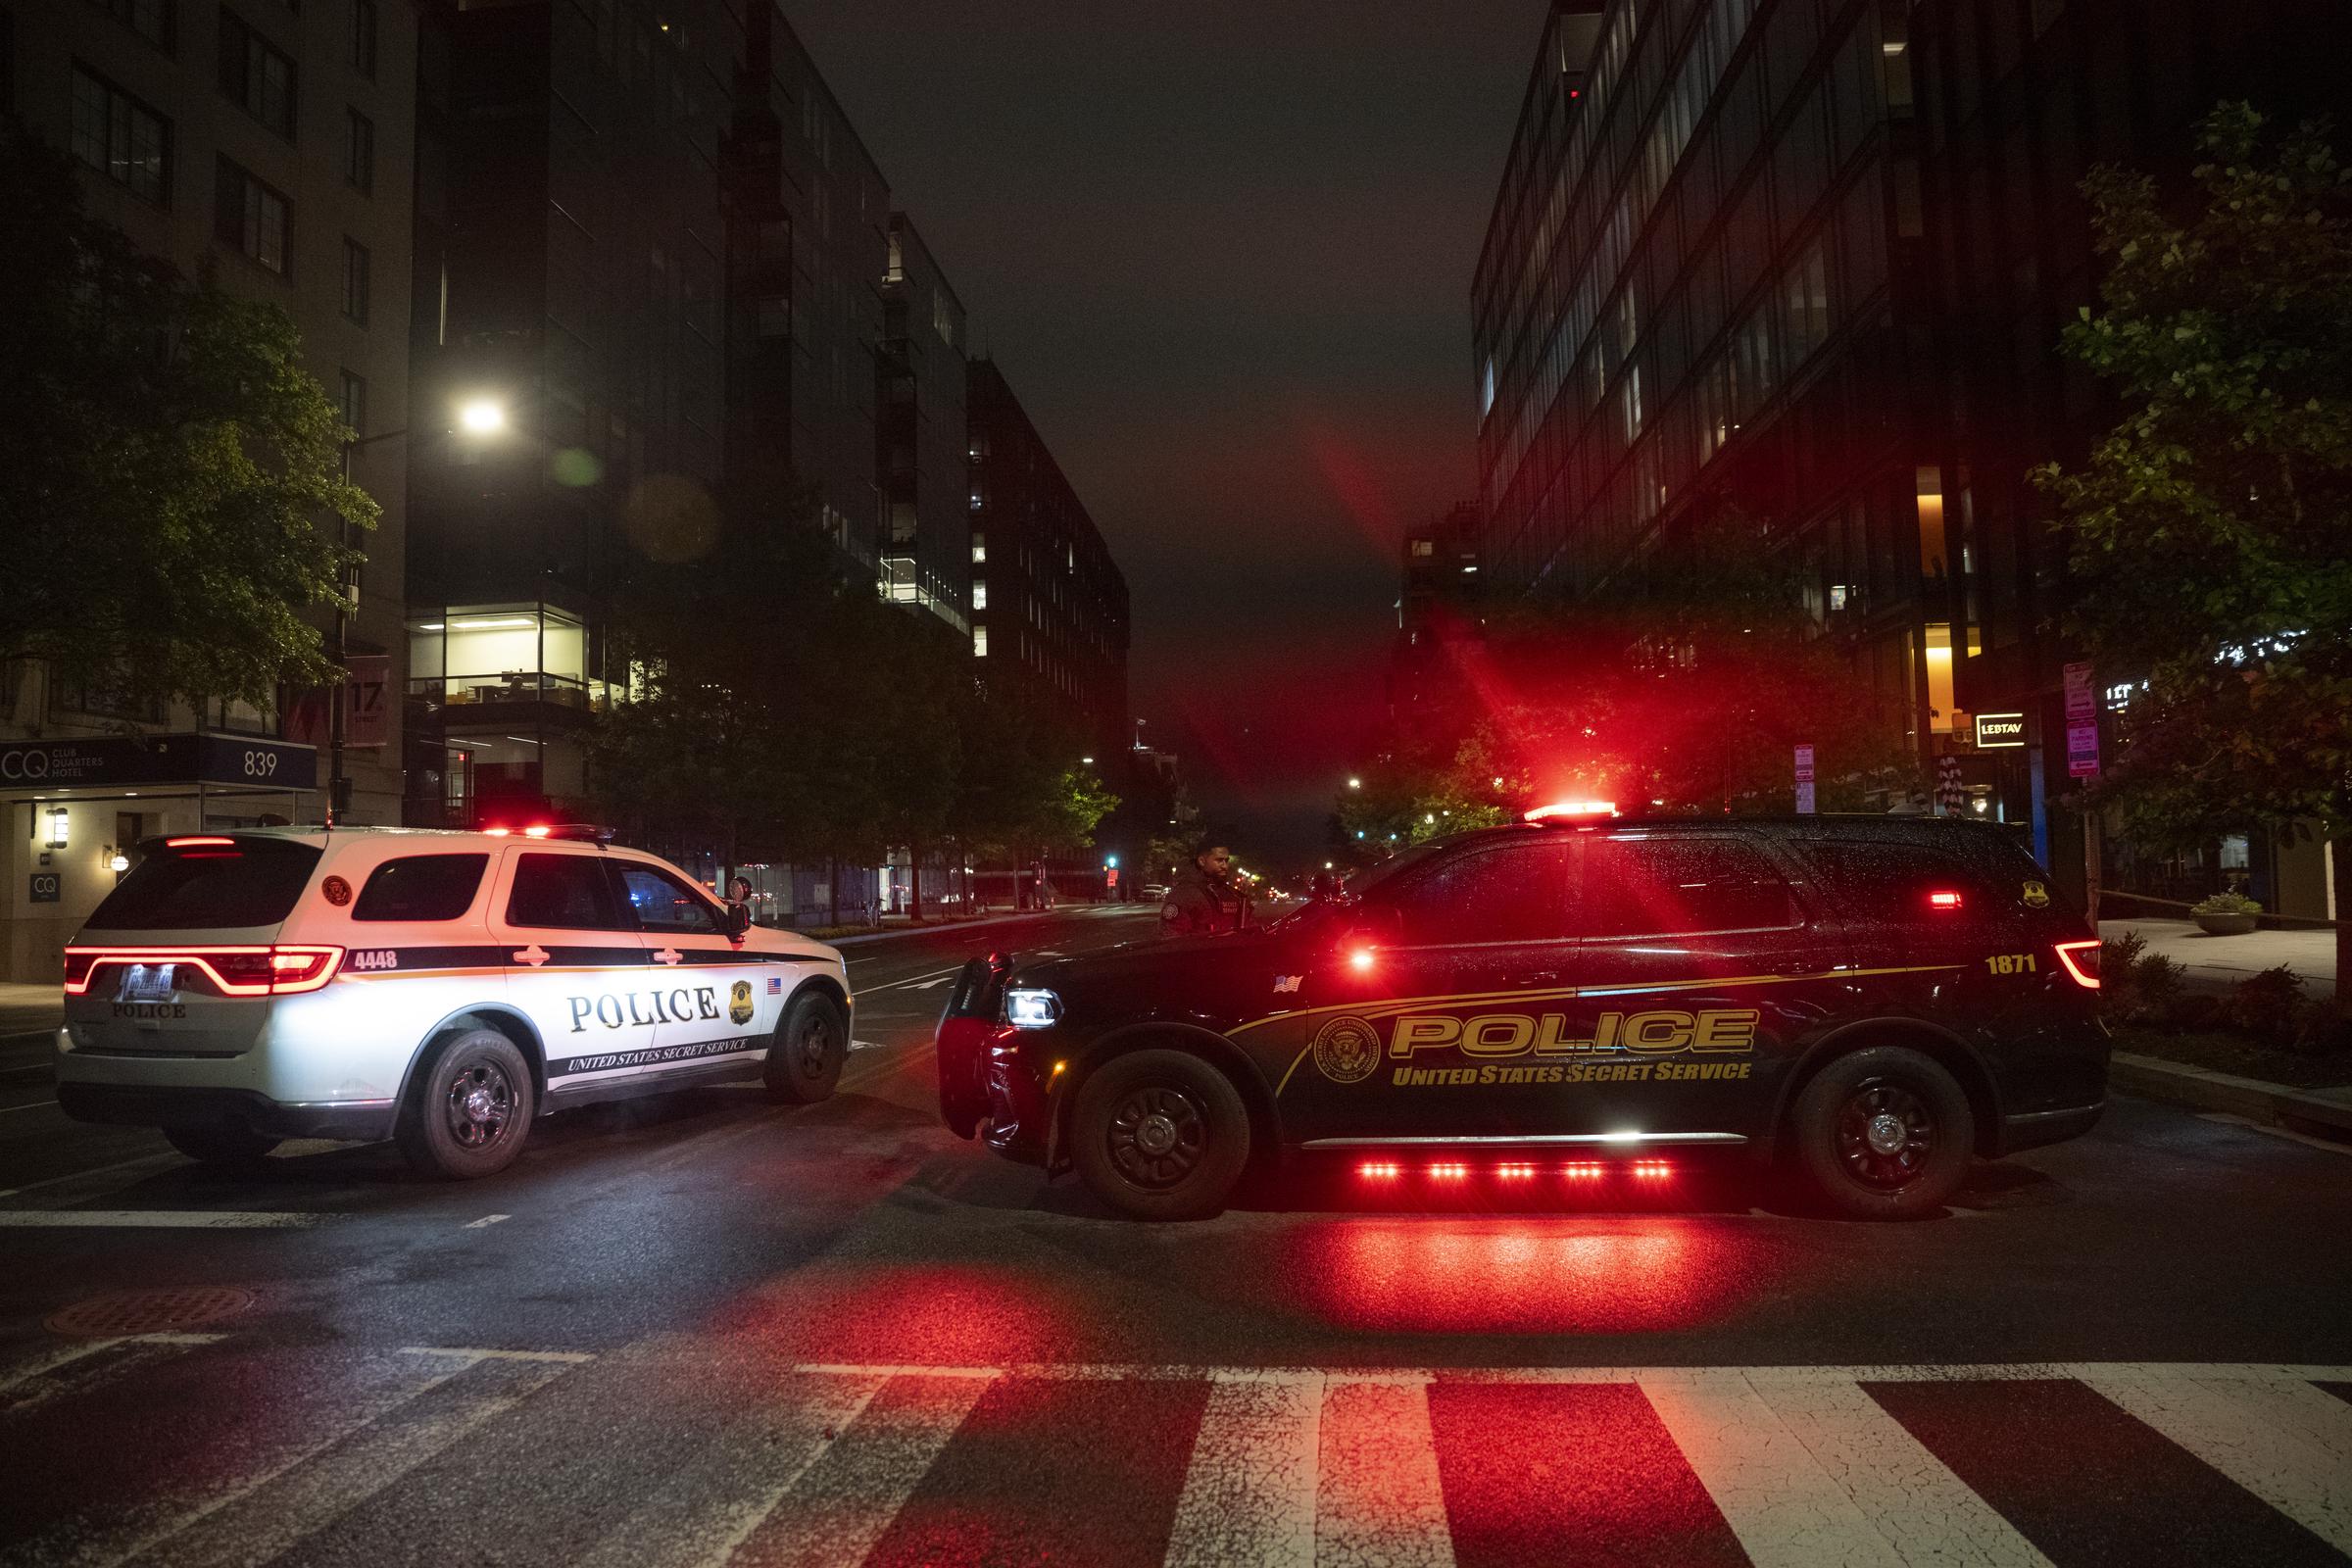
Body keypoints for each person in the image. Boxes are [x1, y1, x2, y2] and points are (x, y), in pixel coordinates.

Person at [1161, 842, 1248, 936]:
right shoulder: (1182, 894)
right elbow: (1171, 937)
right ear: (1202, 861)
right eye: (1219, 860)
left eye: (1226, 861)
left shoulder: (1231, 894)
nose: (1224, 866)